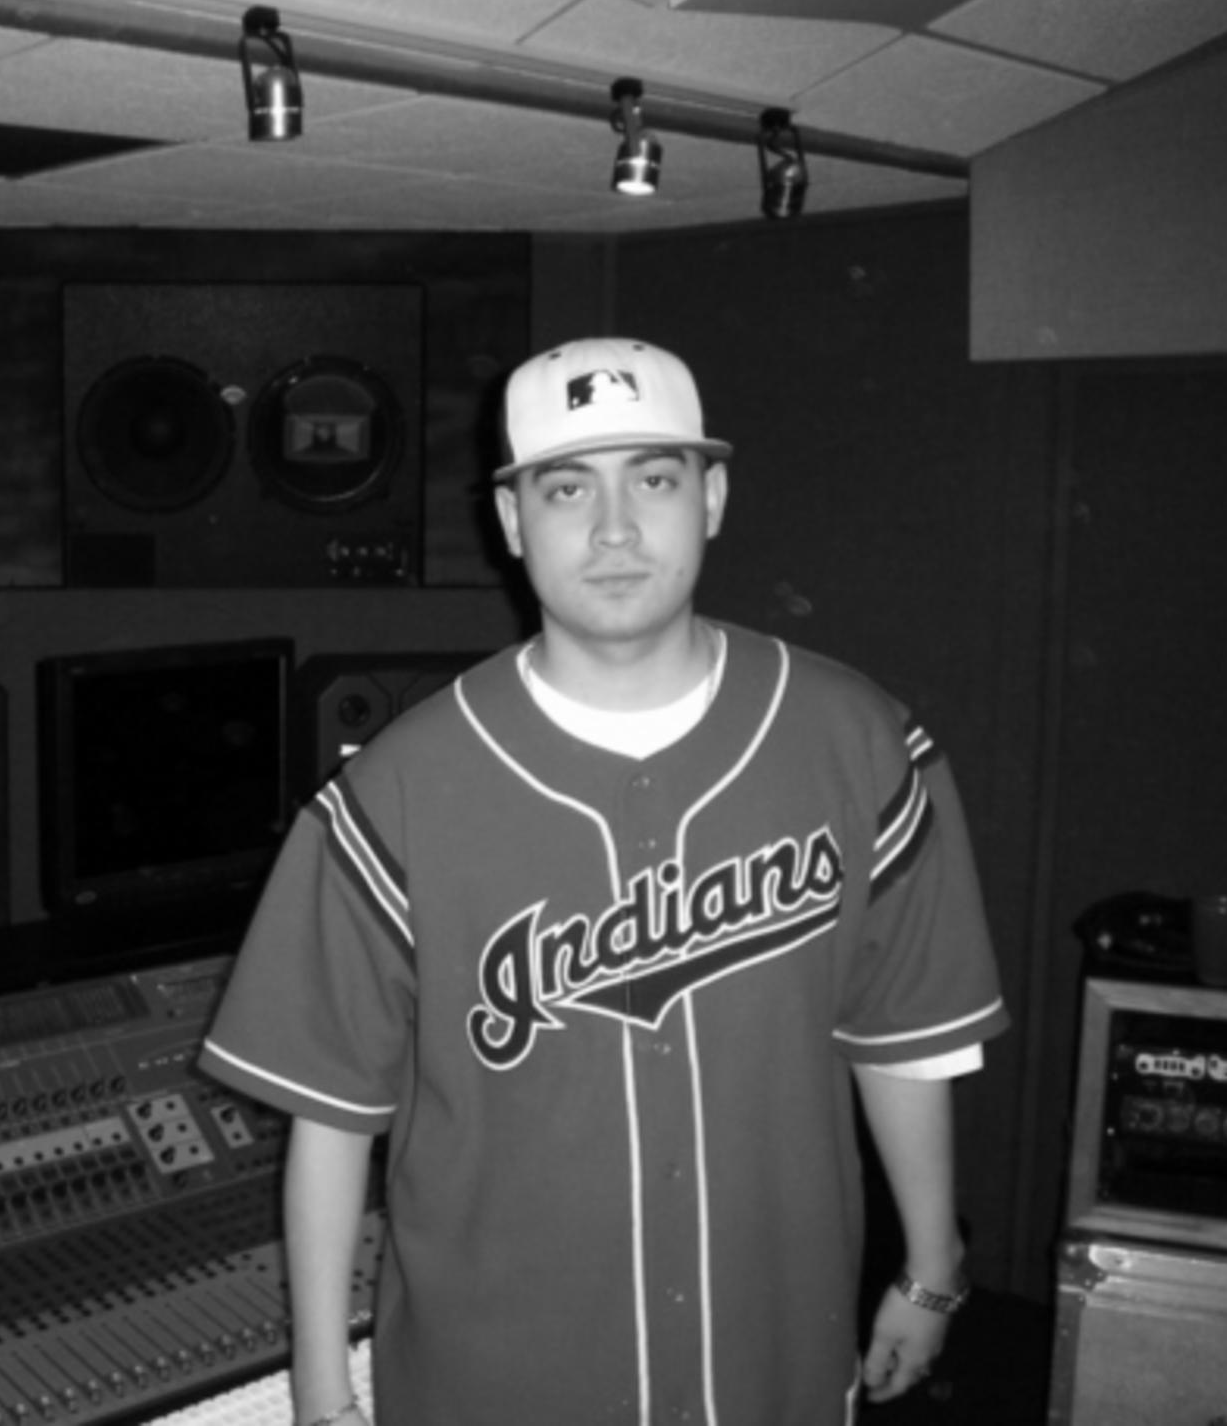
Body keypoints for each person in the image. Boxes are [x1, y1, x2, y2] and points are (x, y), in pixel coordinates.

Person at [198, 337, 1009, 1426]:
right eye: (567, 488)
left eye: (654, 480)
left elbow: (904, 1038)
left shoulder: (856, 741)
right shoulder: (394, 792)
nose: (615, 529)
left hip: (772, 1357)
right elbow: (332, 1116)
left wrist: (930, 1265)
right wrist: (317, 1384)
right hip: (490, 1383)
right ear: (511, 520)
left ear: (711, 498)